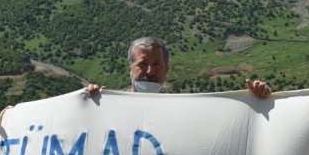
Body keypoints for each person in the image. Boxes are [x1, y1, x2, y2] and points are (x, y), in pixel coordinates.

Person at [85, 36, 272, 98]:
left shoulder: (182, 110)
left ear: (167, 69)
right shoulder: (109, 107)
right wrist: (89, 103)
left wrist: (258, 99)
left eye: (157, 65)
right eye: (142, 64)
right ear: (130, 68)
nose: (150, 71)